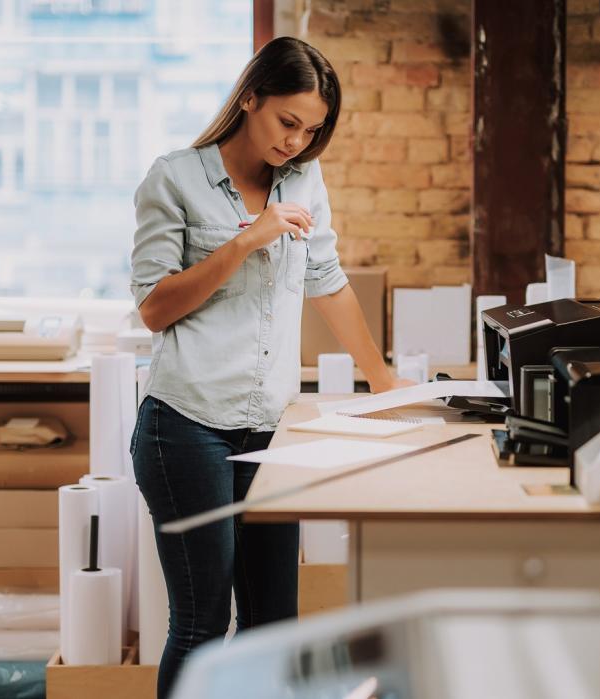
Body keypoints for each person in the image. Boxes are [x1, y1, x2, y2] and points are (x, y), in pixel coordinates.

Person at [129, 36, 408, 697]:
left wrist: (384, 378)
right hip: (185, 425)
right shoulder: (174, 178)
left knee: (273, 623)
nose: (295, 142)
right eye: (288, 123)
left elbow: (328, 280)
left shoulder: (304, 179)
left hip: (267, 432)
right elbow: (154, 307)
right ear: (249, 97)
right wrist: (247, 239)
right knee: (202, 622)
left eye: (311, 131)